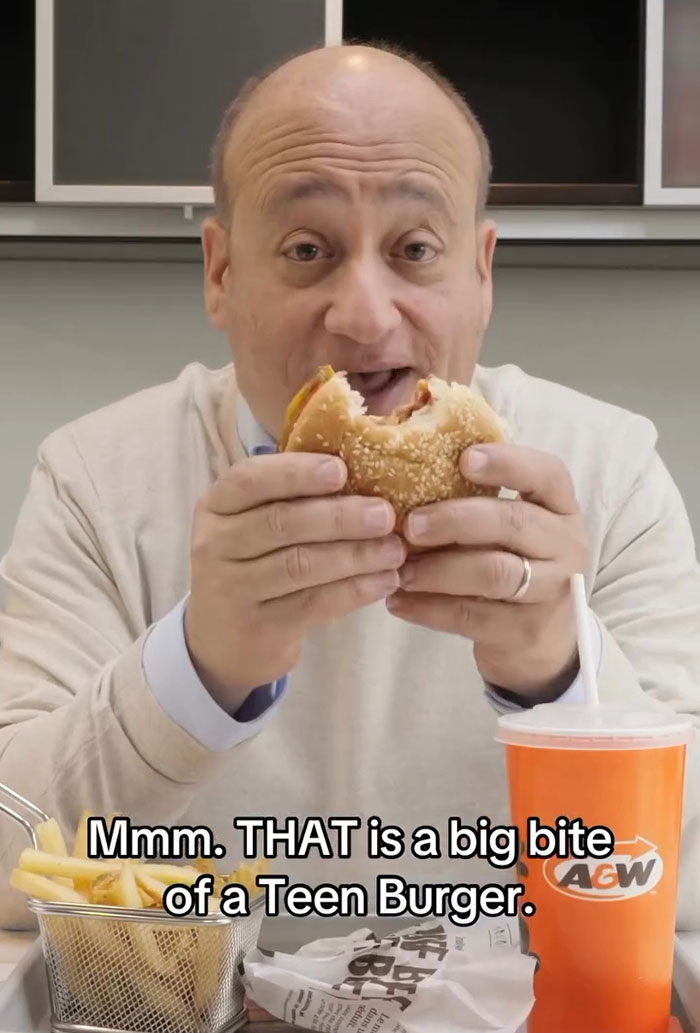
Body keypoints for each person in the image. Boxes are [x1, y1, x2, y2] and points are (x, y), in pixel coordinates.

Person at [1, 42, 699, 932]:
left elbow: (683, 894)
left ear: (481, 273)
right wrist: (196, 667)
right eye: (306, 249)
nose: (365, 315)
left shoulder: (603, 477)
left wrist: (560, 682)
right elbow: (9, 863)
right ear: (221, 272)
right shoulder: (97, 482)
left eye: (415, 248)